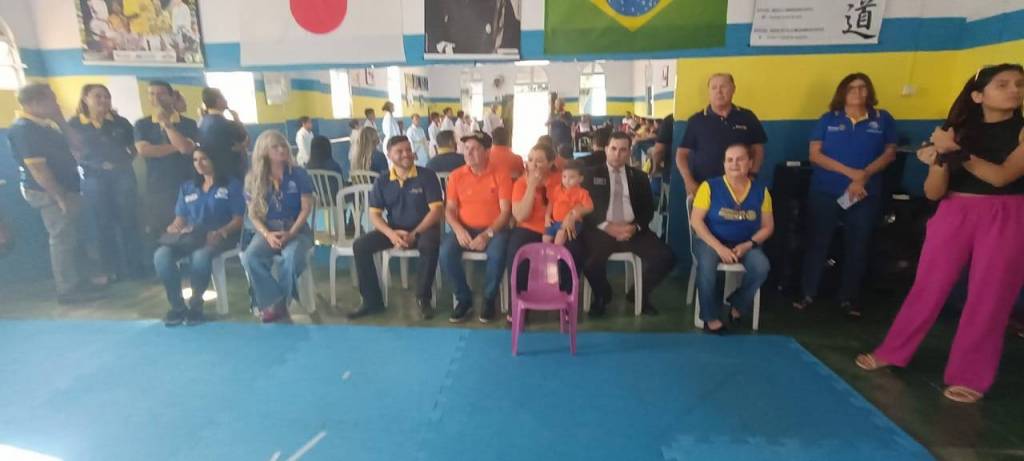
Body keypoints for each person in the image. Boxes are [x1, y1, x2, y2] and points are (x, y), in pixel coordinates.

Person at [855, 64, 1024, 404]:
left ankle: (970, 375)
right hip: (954, 210)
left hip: (1005, 213)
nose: (1014, 90)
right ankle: (894, 350)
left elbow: (1002, 177)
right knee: (928, 285)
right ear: (978, 95)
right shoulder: (955, 132)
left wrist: (954, 151)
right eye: (1003, 84)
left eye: (1019, 84)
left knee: (990, 296)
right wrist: (939, 159)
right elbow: (933, 192)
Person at [793, 73, 898, 317]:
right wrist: (850, 173)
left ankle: (848, 299)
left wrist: (863, 176)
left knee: (858, 245)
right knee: (818, 242)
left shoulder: (882, 119)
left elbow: (890, 153)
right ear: (843, 92)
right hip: (826, 191)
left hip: (864, 193)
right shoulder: (828, 119)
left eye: (862, 88)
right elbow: (815, 155)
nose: (858, 92)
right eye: (852, 88)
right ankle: (808, 294)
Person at [8, 83, 106, 304]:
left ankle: (80, 281)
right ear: (36, 102)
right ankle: (67, 289)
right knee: (62, 239)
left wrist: (61, 120)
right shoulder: (24, 129)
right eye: (52, 99)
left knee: (73, 237)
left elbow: (78, 145)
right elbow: (38, 169)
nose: (56, 103)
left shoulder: (46, 125)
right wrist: (59, 196)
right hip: (49, 192)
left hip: (69, 188)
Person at [346, 135, 444, 320]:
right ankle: (371, 301)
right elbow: (375, 215)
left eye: (408, 149)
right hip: (395, 230)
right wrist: (391, 234)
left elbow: (436, 211)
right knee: (360, 246)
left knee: (430, 244)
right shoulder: (382, 181)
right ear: (389, 155)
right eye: (400, 151)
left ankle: (423, 298)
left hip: (424, 229)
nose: (406, 154)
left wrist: (414, 234)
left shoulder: (427, 176)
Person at [581, 131, 675, 317]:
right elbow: (586, 209)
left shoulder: (639, 177)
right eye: (613, 149)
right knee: (590, 263)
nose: (617, 154)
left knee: (666, 257)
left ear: (629, 152)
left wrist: (635, 227)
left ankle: (638, 294)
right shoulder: (590, 175)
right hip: (602, 231)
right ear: (606, 149)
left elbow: (647, 210)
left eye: (623, 150)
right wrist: (608, 227)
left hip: (632, 231)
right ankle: (602, 295)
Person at [690, 144, 774, 334]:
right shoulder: (709, 187)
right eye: (729, 160)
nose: (734, 164)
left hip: (745, 243)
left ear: (750, 163)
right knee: (707, 265)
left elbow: (768, 227)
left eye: (740, 159)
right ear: (724, 164)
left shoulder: (761, 191)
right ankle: (710, 317)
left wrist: (748, 245)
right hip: (710, 241)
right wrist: (719, 248)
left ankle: (738, 303)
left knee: (762, 267)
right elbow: (696, 221)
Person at [154, 148, 244, 326]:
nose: (199, 164)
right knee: (161, 255)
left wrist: (222, 231)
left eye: (204, 159)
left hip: (220, 236)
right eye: (195, 160)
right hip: (191, 237)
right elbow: (180, 219)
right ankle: (178, 307)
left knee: (200, 256)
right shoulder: (188, 187)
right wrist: (174, 228)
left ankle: (196, 307)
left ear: (214, 160)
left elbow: (238, 219)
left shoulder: (232, 185)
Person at [67, 83, 145, 281]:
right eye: (98, 96)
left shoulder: (120, 122)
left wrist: (123, 162)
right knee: (103, 225)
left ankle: (135, 267)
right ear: (85, 99)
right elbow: (73, 152)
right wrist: (95, 165)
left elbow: (134, 147)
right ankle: (112, 270)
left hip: (122, 177)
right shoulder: (75, 124)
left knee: (129, 222)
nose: (103, 100)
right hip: (94, 180)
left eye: (107, 96)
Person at [240, 130, 315, 323]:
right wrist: (267, 235)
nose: (282, 150)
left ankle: (279, 307)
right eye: (275, 147)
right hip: (268, 229)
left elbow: (306, 208)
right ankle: (276, 300)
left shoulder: (298, 174)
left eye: (283, 145)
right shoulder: (252, 179)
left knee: (291, 257)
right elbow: (253, 214)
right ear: (264, 151)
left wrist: (291, 233)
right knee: (250, 257)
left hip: (296, 228)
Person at [440, 131, 512, 323]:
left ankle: (489, 298)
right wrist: (458, 229)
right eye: (466, 148)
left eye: (474, 149)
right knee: (445, 253)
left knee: (497, 255)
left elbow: (505, 212)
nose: (468, 153)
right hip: (465, 228)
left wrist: (487, 235)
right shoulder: (456, 176)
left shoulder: (500, 174)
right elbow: (450, 209)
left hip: (494, 229)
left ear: (487, 152)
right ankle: (464, 299)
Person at [676, 73, 768, 196]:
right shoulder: (696, 121)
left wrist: (752, 175)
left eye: (723, 86)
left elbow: (758, 149)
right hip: (704, 189)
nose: (718, 91)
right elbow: (681, 155)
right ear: (709, 92)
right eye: (714, 88)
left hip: (740, 188)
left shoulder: (747, 117)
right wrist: (688, 181)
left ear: (733, 89)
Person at [134, 80, 198, 242]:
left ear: (172, 97)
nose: (156, 98)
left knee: (189, 230)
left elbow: (187, 149)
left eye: (161, 94)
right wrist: (178, 145)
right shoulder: (142, 124)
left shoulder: (188, 123)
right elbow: (145, 150)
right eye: (151, 94)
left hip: (186, 183)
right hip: (158, 186)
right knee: (161, 231)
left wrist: (167, 125)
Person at [507, 142, 566, 296]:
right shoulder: (521, 183)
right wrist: (531, 187)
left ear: (550, 163)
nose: (533, 165)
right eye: (530, 159)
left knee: (573, 249)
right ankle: (518, 297)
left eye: (539, 161)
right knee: (516, 249)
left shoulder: (561, 180)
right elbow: (520, 216)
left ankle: (565, 295)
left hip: (556, 228)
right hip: (528, 229)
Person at [198, 87, 249, 179]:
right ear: (218, 101)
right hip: (232, 171)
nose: (226, 101)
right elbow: (246, 140)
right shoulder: (227, 124)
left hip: (214, 172)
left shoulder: (202, 123)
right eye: (224, 98)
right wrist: (237, 119)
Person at [545, 160, 593, 245]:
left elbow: (590, 207)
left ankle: (556, 253)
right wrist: (547, 216)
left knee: (559, 240)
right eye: (564, 176)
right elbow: (551, 203)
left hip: (573, 222)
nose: (567, 180)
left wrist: (575, 212)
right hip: (556, 221)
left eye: (572, 177)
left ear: (580, 179)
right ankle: (548, 252)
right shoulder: (557, 189)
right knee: (545, 238)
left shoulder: (582, 193)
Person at [306, 135, 343, 200]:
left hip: (317, 201)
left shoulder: (307, 168)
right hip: (336, 200)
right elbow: (340, 186)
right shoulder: (334, 167)